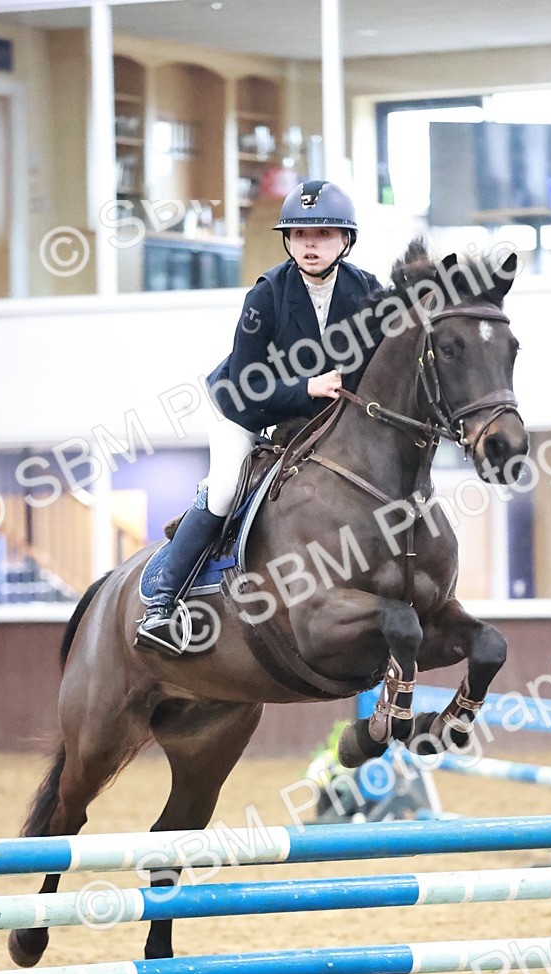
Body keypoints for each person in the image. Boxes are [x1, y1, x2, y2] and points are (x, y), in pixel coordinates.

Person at [135, 179, 383, 655]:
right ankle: (161, 604)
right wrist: (308, 387)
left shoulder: (366, 290)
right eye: (300, 235)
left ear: (345, 241)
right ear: (287, 241)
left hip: (318, 416)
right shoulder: (266, 295)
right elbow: (247, 386)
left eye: (323, 235)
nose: (310, 245)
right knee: (227, 488)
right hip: (244, 407)